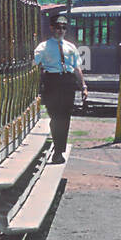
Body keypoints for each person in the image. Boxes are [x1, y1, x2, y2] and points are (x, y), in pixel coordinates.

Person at [34, 13, 86, 163]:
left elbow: (77, 68)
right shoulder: (43, 47)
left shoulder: (71, 47)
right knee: (56, 117)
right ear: (52, 28)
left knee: (65, 117)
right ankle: (58, 148)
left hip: (67, 82)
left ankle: (59, 151)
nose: (60, 30)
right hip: (52, 82)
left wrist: (83, 86)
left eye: (63, 28)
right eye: (57, 27)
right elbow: (33, 64)